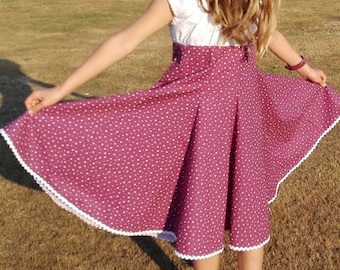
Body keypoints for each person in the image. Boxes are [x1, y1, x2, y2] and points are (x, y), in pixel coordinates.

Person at [1, 0, 339, 269]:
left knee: (240, 199)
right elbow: (124, 41)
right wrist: (62, 89)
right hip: (200, 119)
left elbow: (270, 33)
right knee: (208, 199)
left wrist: (303, 68)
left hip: (238, 114)